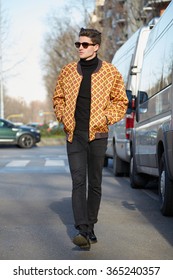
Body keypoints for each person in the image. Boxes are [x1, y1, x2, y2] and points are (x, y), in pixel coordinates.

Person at [53, 28, 128, 250]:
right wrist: (64, 117)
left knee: (95, 182)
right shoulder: (67, 71)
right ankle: (82, 230)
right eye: (78, 44)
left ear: (95, 47)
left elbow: (120, 102)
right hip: (74, 134)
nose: (80, 48)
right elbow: (58, 98)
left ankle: (90, 227)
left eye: (85, 44)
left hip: (98, 134)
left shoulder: (110, 72)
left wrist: (105, 118)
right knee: (78, 181)